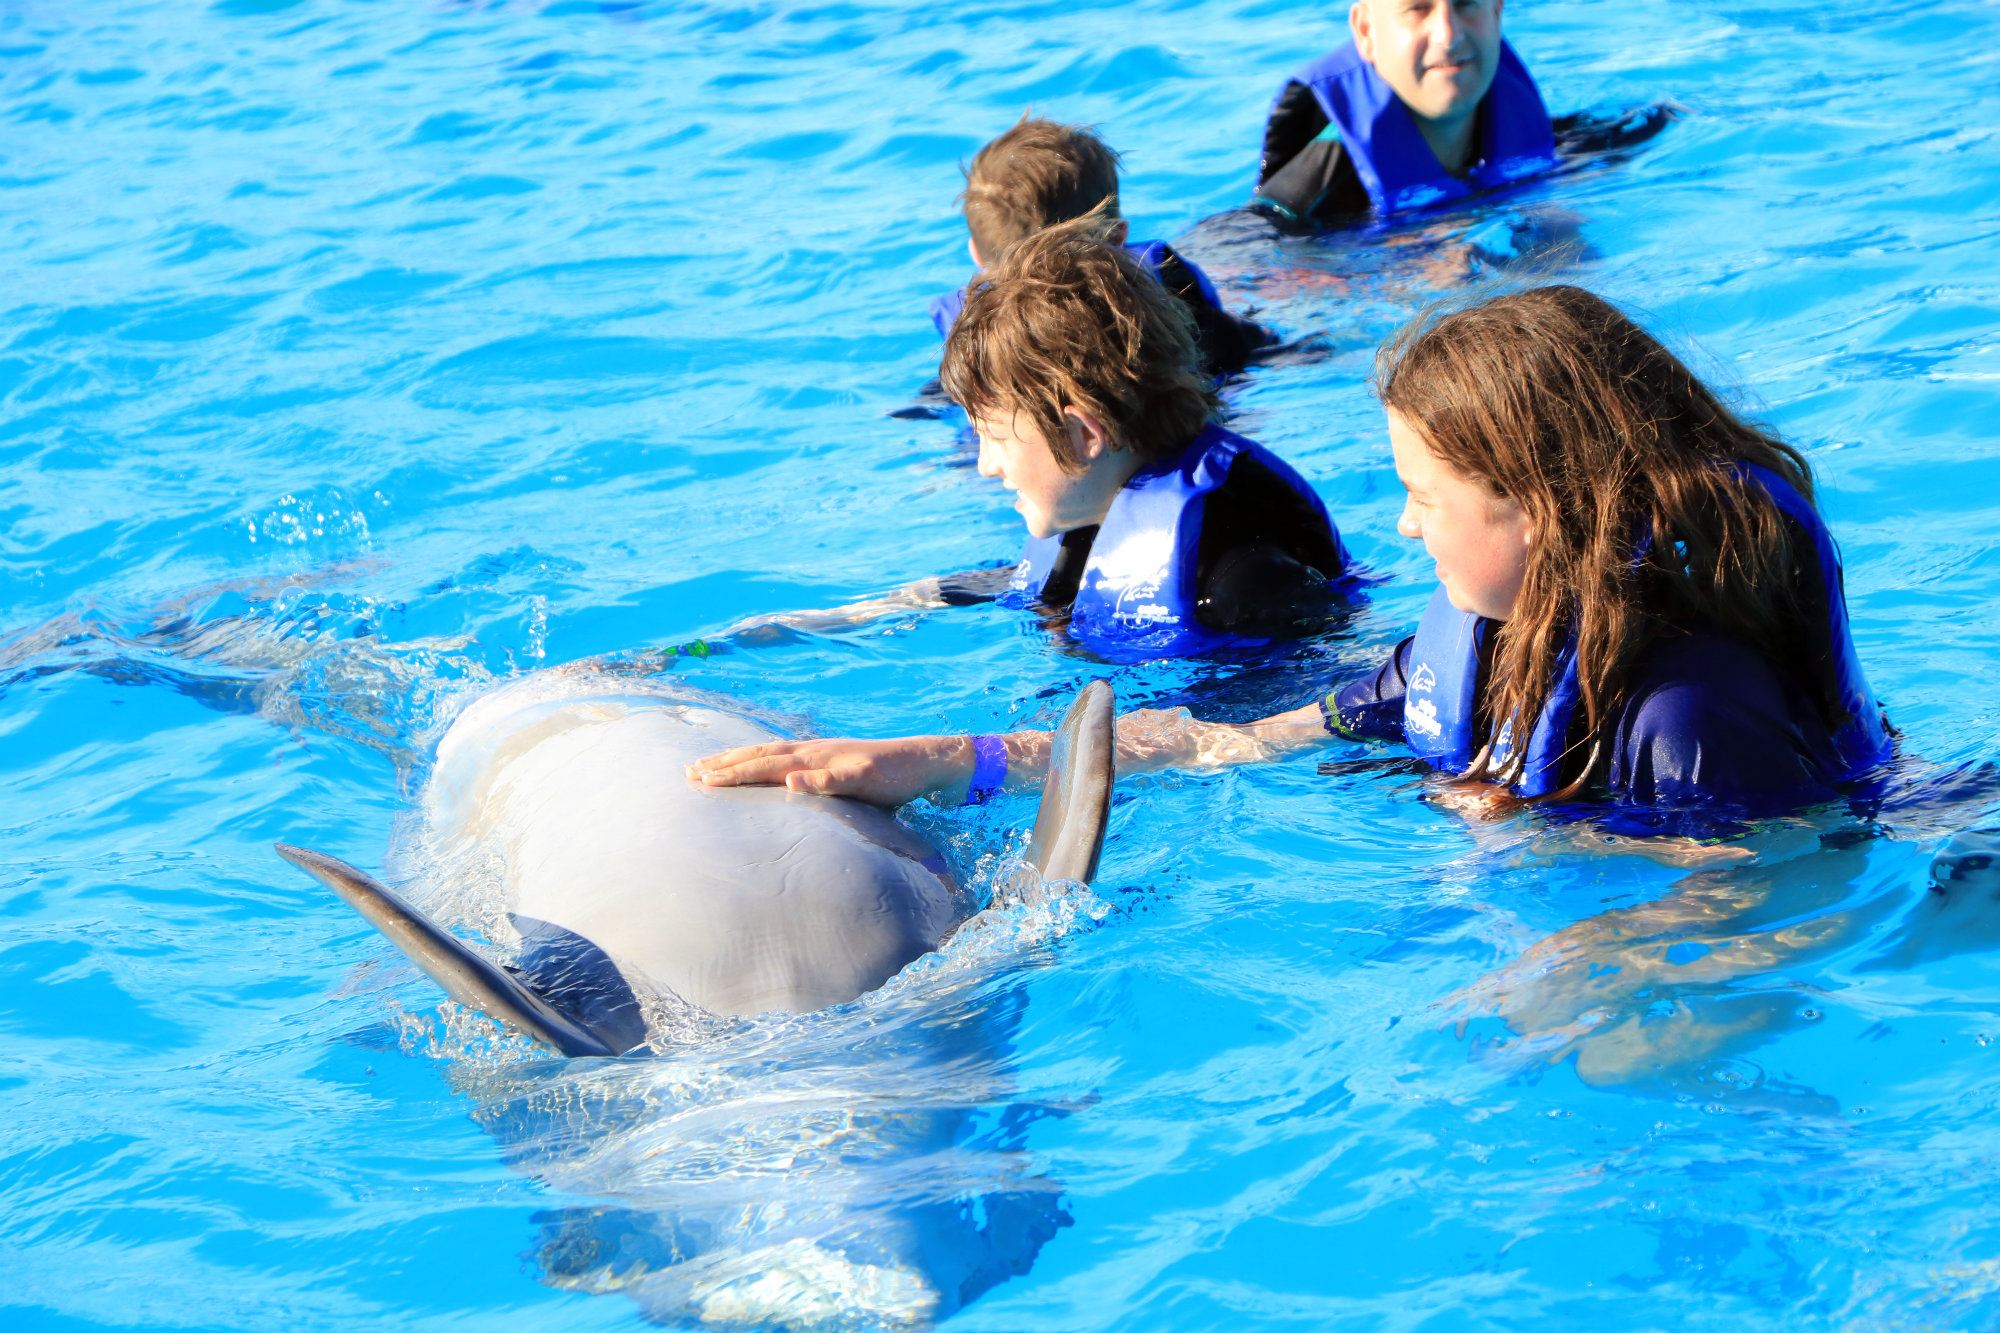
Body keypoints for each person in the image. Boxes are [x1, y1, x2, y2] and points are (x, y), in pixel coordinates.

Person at [692, 286, 1892, 837]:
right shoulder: (1452, 651)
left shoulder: (1690, 717)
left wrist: (1575, 974)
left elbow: (1763, 925)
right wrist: (934, 760)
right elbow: (1221, 740)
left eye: (1425, 497)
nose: (1408, 531)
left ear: (1542, 510)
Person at [1253, 0, 1668, 229]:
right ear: (1366, 32)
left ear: (1497, 12)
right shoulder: (1303, 203)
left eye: (1467, 3)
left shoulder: (1580, 148)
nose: (1449, 34)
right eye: (1417, 8)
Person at [933, 116, 1271, 377]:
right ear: (1117, 238)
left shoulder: (974, 336)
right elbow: (1237, 350)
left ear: (977, 257)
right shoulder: (1162, 283)